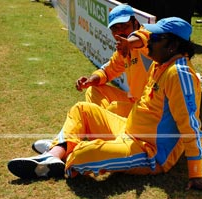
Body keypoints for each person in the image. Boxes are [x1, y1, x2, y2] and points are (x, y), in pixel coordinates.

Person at [8, 17, 202, 195]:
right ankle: (54, 155)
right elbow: (139, 40)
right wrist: (134, 39)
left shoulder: (179, 73)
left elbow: (190, 125)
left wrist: (195, 173)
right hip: (129, 129)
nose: (148, 43)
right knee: (81, 109)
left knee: (81, 157)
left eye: (155, 38)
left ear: (172, 45)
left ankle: (62, 155)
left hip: (149, 151)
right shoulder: (162, 60)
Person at [32, 4, 152, 154]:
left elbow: (144, 37)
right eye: (115, 29)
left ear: (135, 22)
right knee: (93, 89)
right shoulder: (123, 48)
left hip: (148, 112)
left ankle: (62, 145)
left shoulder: (149, 39)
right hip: (136, 103)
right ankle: (89, 134)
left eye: (125, 26)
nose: (120, 32)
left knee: (107, 109)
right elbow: (108, 70)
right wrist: (91, 79)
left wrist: (129, 42)